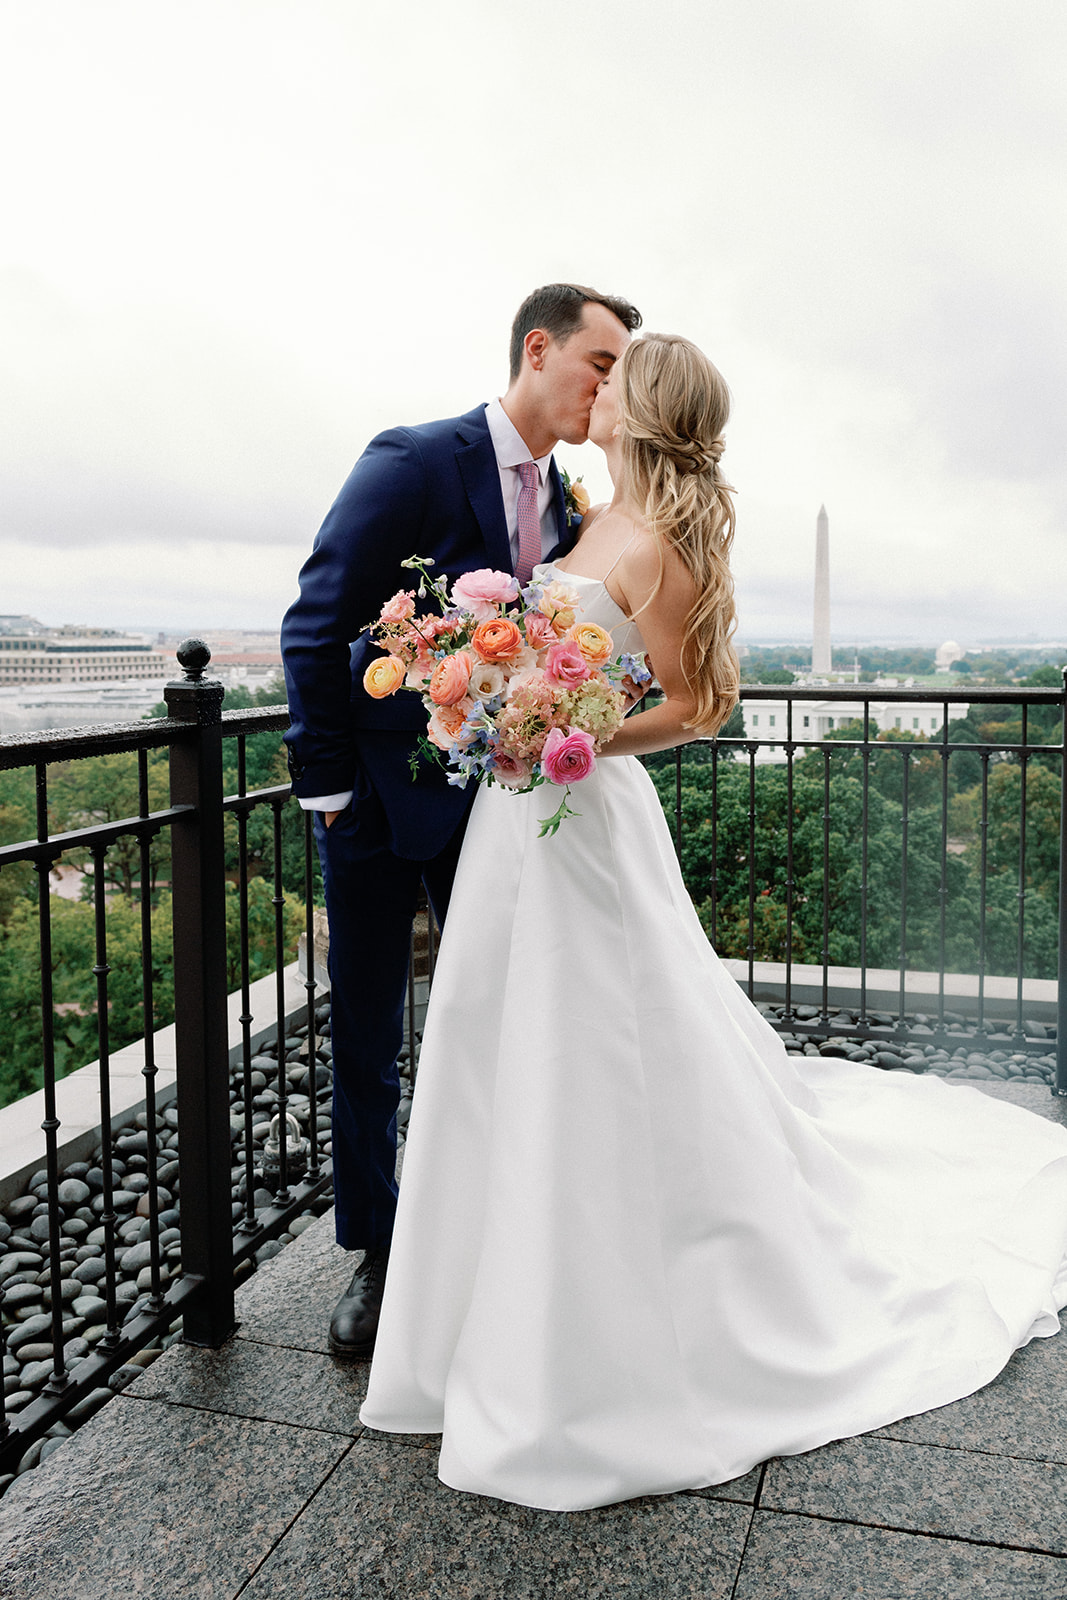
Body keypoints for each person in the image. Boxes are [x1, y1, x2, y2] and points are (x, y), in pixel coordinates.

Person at [358, 333, 1067, 1511]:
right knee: (494, 1045)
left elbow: (696, 703)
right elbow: (556, 655)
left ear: (641, 408)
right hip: (514, 819)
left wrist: (569, 734)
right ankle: (479, 1294)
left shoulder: (663, 543)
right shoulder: (590, 514)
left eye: (616, 376)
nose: (600, 385)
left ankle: (604, 1298)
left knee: (592, 1046)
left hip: (579, 813)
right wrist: (486, 692)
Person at [280, 284, 642, 1357]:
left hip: (495, 811)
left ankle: (480, 1228)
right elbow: (315, 618)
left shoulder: (569, 503)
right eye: (602, 363)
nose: (609, 387)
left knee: (488, 1020)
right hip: (380, 813)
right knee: (367, 1036)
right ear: (538, 349)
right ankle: (379, 1256)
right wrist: (330, 791)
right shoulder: (412, 459)